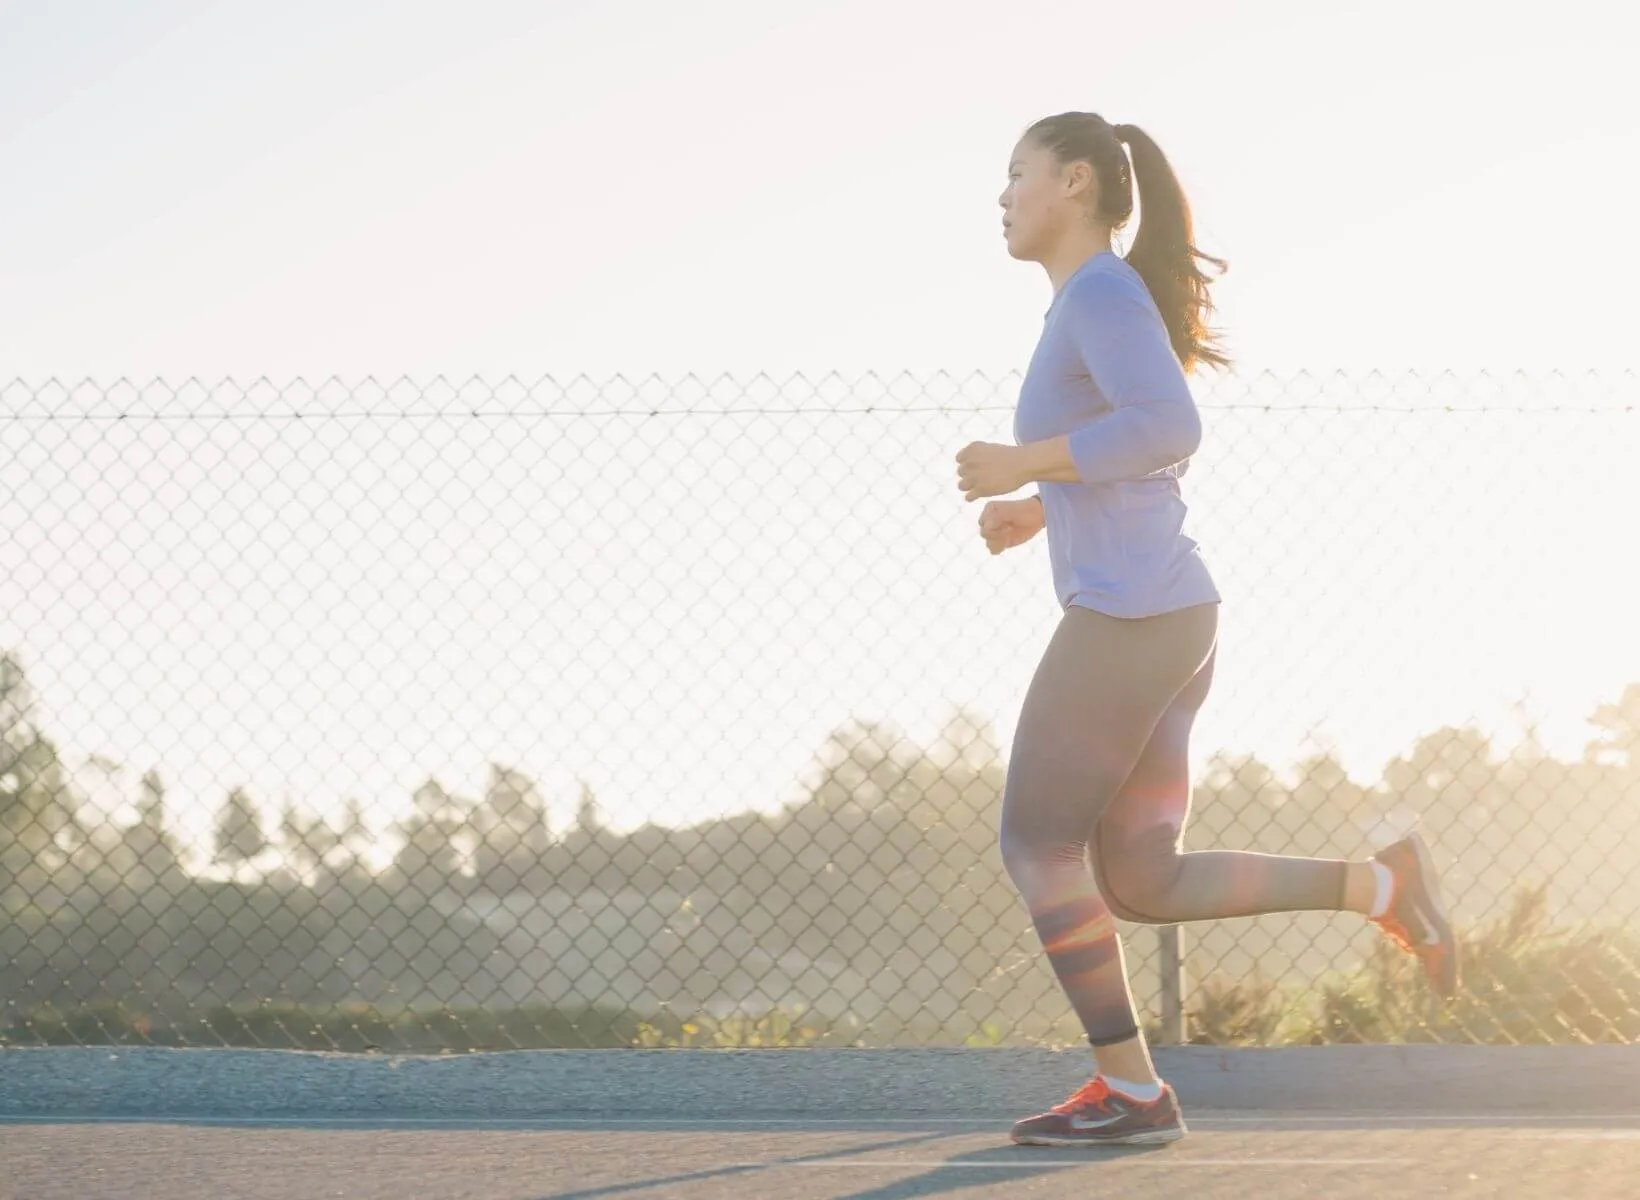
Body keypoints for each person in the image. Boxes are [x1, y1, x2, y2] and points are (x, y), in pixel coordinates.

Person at [954, 111, 1459, 1148]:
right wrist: (1039, 506)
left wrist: (1025, 462)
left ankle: (1133, 1094)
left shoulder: (1096, 291)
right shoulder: (1087, 302)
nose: (1000, 196)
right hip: (1167, 614)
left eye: (1017, 174)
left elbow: (1169, 427)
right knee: (1139, 878)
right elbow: (1139, 452)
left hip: (1133, 617)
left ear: (1078, 183)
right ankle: (1383, 885)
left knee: (1035, 841)